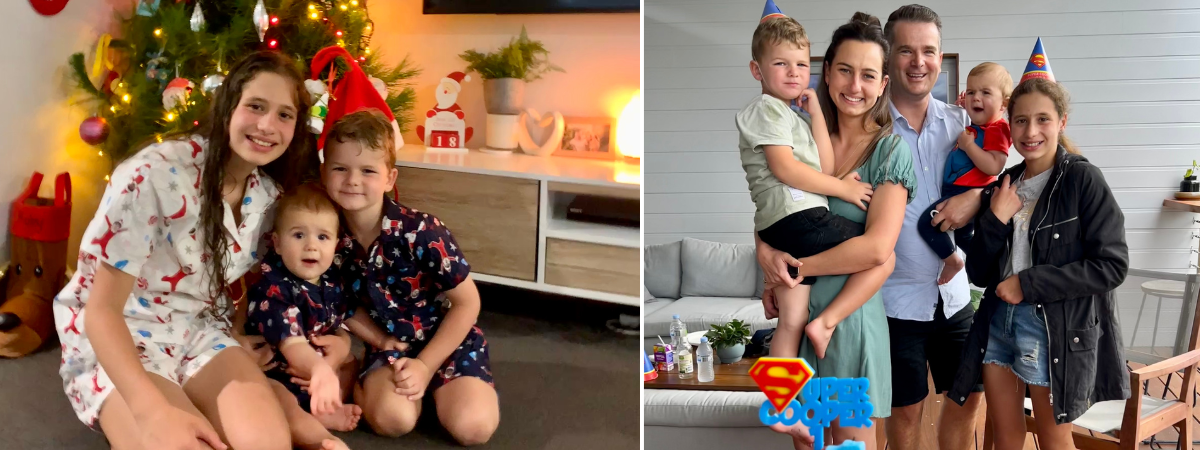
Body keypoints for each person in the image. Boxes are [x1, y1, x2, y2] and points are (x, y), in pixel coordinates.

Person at [54, 51, 314, 450]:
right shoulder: (154, 174)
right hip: (117, 328)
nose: (267, 126)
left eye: (284, 115)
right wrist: (152, 411)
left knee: (267, 443)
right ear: (229, 106)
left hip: (196, 328)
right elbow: (101, 311)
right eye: (256, 106)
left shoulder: (268, 198)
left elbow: (242, 276)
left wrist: (235, 333)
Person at [756, 12, 914, 450]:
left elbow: (877, 249)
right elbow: (771, 206)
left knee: (849, 445)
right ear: (827, 73)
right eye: (844, 70)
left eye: (867, 75)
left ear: (883, 84)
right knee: (808, 444)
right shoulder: (799, 135)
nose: (854, 86)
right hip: (798, 315)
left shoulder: (888, 152)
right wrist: (765, 255)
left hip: (846, 324)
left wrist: (795, 267)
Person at [949, 76, 1130, 450]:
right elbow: (980, 272)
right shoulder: (1006, 183)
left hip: (1053, 330)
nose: (1030, 131)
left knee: (1053, 439)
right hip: (999, 323)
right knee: (1007, 437)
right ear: (1009, 124)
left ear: (1061, 122)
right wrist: (996, 220)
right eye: (1021, 120)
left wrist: (1028, 283)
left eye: (1043, 120)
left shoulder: (1082, 180)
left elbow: (1111, 266)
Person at [322, 109, 500, 445]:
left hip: (446, 341)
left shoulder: (422, 230)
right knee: (394, 420)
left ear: (390, 178)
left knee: (474, 427)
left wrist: (427, 366)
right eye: (340, 168)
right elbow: (342, 305)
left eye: (368, 171)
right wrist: (378, 341)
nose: (352, 180)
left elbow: (467, 303)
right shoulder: (326, 238)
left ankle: (441, 388)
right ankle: (373, 385)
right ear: (324, 172)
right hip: (391, 344)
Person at [735, 1, 887, 361]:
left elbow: (826, 163)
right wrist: (845, 189)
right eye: (781, 63)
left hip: (782, 225)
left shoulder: (791, 116)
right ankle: (828, 322)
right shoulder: (767, 110)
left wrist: (815, 110)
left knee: (791, 320)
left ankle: (782, 407)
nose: (793, 73)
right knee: (882, 257)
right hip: (797, 219)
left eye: (801, 65)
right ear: (757, 70)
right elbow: (787, 169)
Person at [244, 183, 366, 449]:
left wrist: (360, 343)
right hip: (281, 372)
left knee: (351, 363)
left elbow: (346, 316)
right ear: (277, 243)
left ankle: (324, 409)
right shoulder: (273, 287)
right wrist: (319, 369)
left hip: (319, 370)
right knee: (280, 400)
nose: (311, 246)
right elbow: (292, 343)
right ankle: (319, 439)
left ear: (336, 244)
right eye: (299, 236)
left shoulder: (331, 280)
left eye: (322, 237)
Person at [917, 62, 1012, 285]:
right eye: (971, 92)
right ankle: (994, 267)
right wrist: (962, 107)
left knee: (927, 223)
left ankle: (953, 262)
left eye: (985, 92)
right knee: (963, 237)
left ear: (1003, 104)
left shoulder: (997, 129)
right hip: (956, 188)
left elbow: (994, 166)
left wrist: (969, 146)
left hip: (965, 192)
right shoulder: (977, 126)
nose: (976, 98)